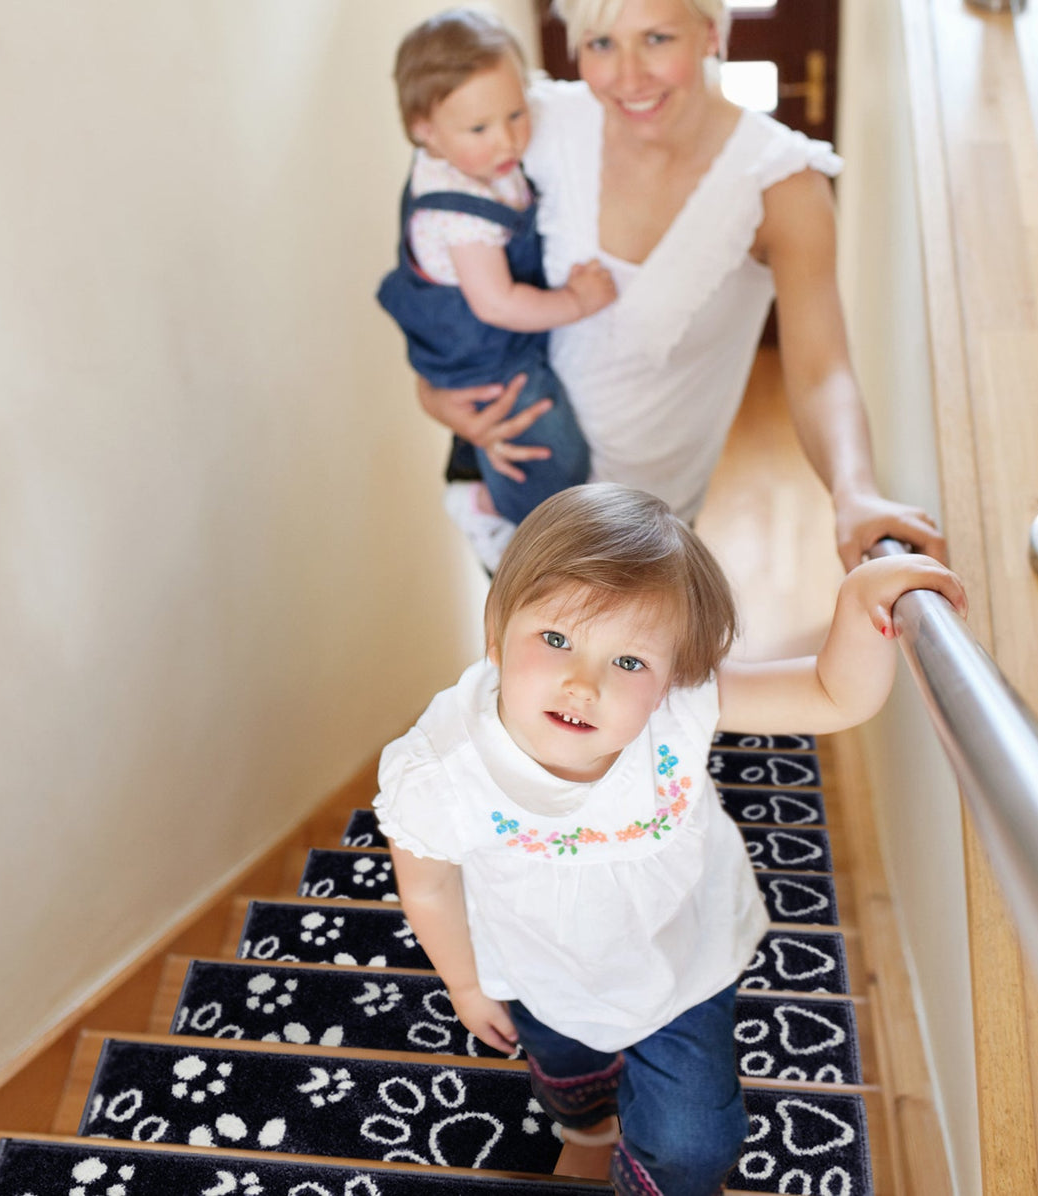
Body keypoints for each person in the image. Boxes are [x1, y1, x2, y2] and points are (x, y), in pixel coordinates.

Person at [374, 483, 966, 1196]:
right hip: (538, 966)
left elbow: (831, 695)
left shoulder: (679, 709)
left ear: (670, 680)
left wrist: (862, 604)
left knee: (695, 1142)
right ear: (495, 634)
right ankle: (588, 1130)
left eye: (630, 663)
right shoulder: (441, 770)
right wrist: (466, 985)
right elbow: (431, 882)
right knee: (567, 1076)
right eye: (556, 639)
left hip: (681, 957)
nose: (583, 682)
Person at [415, 0, 947, 572]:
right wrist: (435, 393)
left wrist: (855, 491)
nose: (628, 76)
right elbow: (434, 256)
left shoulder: (783, 185)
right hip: (518, 502)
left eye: (658, 39)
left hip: (644, 536)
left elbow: (822, 373)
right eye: (600, 44)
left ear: (711, 31)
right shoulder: (530, 125)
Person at [377, 8, 617, 569]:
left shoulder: (473, 159)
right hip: (483, 360)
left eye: (516, 113)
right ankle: (491, 512)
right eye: (481, 128)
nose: (507, 138)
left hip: (495, 343)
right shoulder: (457, 214)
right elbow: (498, 302)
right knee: (553, 456)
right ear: (424, 129)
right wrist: (578, 302)